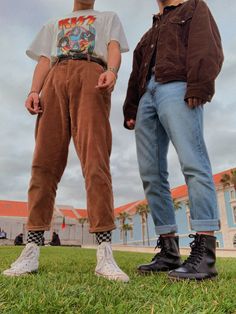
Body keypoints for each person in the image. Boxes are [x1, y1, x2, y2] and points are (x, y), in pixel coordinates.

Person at [3, 0, 129, 282]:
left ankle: (104, 251)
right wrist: (34, 90)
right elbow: (45, 59)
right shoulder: (53, 23)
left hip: (91, 74)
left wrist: (112, 70)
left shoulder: (107, 17)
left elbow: (111, 47)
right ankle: (32, 247)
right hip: (55, 79)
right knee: (43, 163)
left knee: (96, 160)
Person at [123, 0, 223, 280]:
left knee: (193, 160)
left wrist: (199, 85)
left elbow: (208, 46)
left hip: (177, 86)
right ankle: (168, 251)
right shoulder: (148, 33)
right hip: (147, 96)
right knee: (151, 174)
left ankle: (205, 254)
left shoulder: (193, 8)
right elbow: (136, 74)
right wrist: (131, 108)